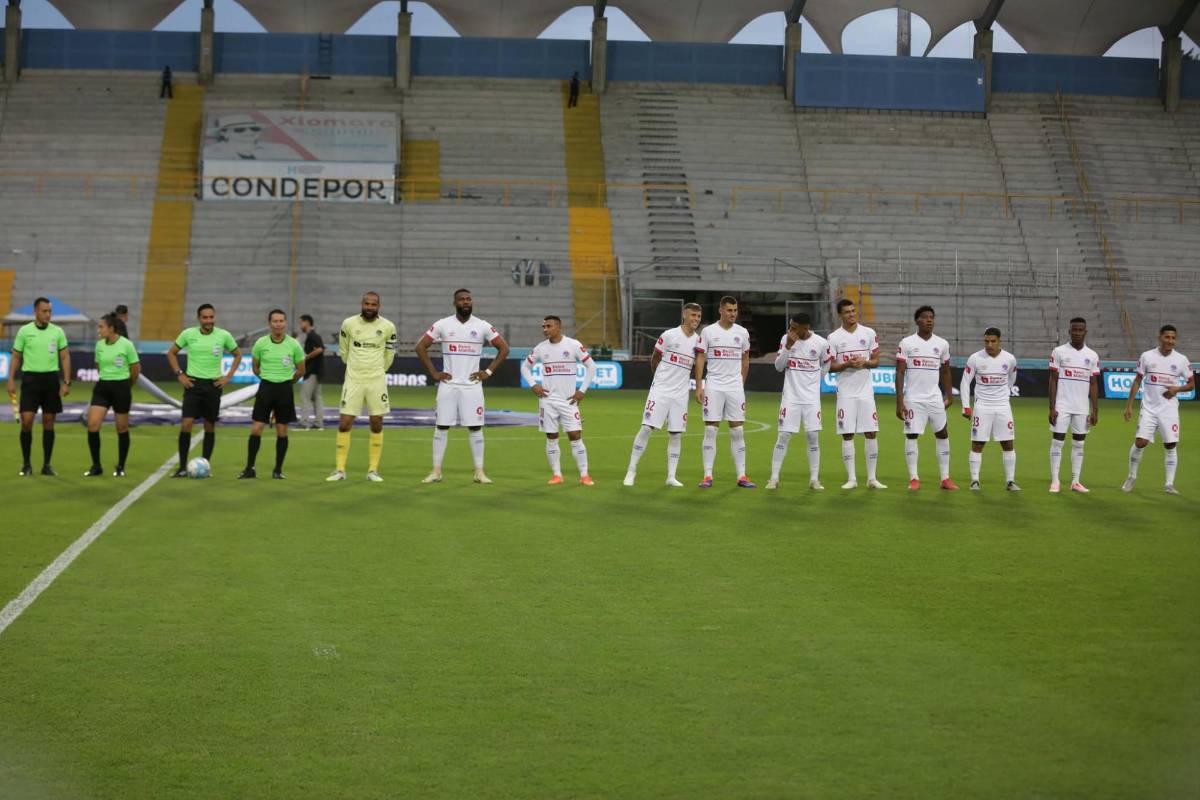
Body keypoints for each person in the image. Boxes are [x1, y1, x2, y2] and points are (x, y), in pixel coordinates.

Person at [415, 288, 510, 484]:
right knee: (441, 426)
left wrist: (488, 371)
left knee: (475, 428)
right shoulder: (443, 324)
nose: (466, 302)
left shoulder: (482, 326)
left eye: (468, 299)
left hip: (472, 386)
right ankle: (436, 471)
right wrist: (434, 372)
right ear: (455, 303)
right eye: (461, 300)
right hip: (448, 385)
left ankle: (479, 472)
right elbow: (420, 346)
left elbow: (504, 348)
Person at [623, 303, 702, 487]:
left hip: (681, 394)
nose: (696, 319)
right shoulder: (669, 335)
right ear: (684, 314)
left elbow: (698, 365)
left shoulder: (698, 341)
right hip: (661, 390)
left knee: (676, 434)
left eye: (699, 316)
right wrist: (659, 379)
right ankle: (631, 470)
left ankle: (671, 476)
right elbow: (655, 358)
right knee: (646, 428)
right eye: (693, 315)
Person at [328, 292, 397, 482]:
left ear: (379, 306)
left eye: (373, 304)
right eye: (367, 303)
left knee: (376, 422)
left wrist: (379, 370)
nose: (369, 307)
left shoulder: (388, 327)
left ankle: (373, 470)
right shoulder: (348, 324)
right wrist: (354, 368)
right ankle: (340, 470)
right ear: (362, 304)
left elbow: (390, 353)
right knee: (345, 423)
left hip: (376, 380)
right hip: (354, 379)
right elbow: (344, 350)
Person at [520, 315, 597, 485]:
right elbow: (525, 366)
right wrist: (534, 385)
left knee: (575, 435)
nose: (545, 329)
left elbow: (591, 366)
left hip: (569, 400)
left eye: (548, 326)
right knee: (551, 436)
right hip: (547, 400)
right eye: (543, 326)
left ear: (558, 327)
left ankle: (584, 475)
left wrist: (582, 390)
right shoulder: (541, 348)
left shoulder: (573, 345)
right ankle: (557, 475)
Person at [166, 304, 240, 478]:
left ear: (214, 317)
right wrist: (180, 374)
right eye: (205, 317)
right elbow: (171, 353)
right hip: (193, 385)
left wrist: (227, 377)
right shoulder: (188, 334)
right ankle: (182, 467)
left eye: (211, 317)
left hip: (213, 386)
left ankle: (205, 466)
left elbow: (237, 354)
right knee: (186, 424)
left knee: (209, 426)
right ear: (199, 319)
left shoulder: (223, 335)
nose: (208, 321)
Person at [1122, 324, 1194, 495]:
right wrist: (1129, 405)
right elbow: (1138, 381)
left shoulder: (1181, 360)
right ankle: (1131, 477)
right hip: (1149, 409)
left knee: (1170, 445)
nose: (1170, 341)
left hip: (1169, 410)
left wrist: (1176, 389)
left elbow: (1191, 384)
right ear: (1159, 337)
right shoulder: (1147, 356)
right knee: (1141, 442)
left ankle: (1169, 484)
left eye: (1173, 338)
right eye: (1167, 337)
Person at [694, 295, 755, 488]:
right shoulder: (709, 331)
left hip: (734, 387)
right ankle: (707, 475)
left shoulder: (742, 332)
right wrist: (699, 385)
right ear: (720, 310)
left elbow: (745, 359)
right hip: (714, 385)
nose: (733, 314)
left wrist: (740, 382)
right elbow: (701, 358)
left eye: (735, 310)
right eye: (729, 310)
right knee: (711, 429)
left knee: (737, 430)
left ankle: (742, 476)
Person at [895, 305, 957, 491]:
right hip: (913, 398)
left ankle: (945, 478)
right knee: (912, 435)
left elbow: (946, 371)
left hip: (935, 398)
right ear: (917, 321)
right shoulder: (906, 343)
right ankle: (914, 478)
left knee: (942, 433)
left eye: (932, 317)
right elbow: (899, 372)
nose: (929, 320)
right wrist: (900, 401)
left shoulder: (942, 344)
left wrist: (949, 395)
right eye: (925, 317)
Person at [767, 313, 831, 491]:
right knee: (784, 436)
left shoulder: (821, 343)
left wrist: (818, 378)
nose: (791, 330)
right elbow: (779, 366)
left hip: (811, 399)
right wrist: (788, 347)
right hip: (791, 398)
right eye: (790, 326)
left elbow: (827, 363)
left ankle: (814, 479)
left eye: (795, 327)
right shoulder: (786, 339)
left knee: (813, 436)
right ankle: (773, 478)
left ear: (806, 327)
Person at [7, 297, 70, 476]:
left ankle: (47, 465)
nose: (48, 314)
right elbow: (17, 357)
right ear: (35, 312)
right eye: (44, 311)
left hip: (51, 380)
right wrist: (11, 379)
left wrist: (66, 382)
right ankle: (26, 464)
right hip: (30, 380)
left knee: (49, 423)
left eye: (50, 311)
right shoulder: (24, 331)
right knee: (26, 422)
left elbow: (65, 357)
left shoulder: (57, 332)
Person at [240, 310, 306, 480]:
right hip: (266, 389)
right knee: (256, 429)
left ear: (285, 323)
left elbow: (301, 369)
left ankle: (277, 470)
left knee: (282, 431)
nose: (278, 324)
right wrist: (266, 378)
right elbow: (255, 366)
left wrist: (287, 382)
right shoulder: (260, 343)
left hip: (284, 390)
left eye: (281, 321)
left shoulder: (293, 345)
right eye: (275, 321)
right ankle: (250, 468)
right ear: (269, 323)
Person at [827, 298, 885, 489]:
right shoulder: (834, 338)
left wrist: (865, 362)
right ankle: (851, 479)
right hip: (845, 393)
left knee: (871, 432)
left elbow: (876, 360)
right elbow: (830, 367)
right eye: (847, 312)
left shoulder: (868, 333)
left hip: (866, 392)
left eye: (853, 311)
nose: (851, 314)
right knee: (847, 434)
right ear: (840, 315)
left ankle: (872, 478)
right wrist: (847, 364)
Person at [960, 327, 1019, 491]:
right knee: (978, 443)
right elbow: (965, 382)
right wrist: (966, 406)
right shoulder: (975, 358)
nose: (989, 344)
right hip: (982, 406)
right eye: (986, 341)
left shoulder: (1009, 359)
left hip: (1003, 406)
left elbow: (1012, 378)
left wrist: (1004, 394)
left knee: (1008, 443)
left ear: (1000, 341)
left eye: (993, 341)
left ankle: (1010, 481)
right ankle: (974, 480)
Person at [1048, 317, 1100, 493]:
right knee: (1058, 442)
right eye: (1074, 330)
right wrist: (1052, 407)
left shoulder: (1092, 355)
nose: (1077, 332)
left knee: (1079, 444)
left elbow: (1093, 384)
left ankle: (1075, 481)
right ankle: (1055, 481)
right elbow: (1053, 380)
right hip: (1062, 405)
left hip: (1081, 407)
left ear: (1085, 332)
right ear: (1069, 331)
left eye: (1080, 330)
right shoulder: (1059, 352)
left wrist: (1095, 410)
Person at [86, 313, 139, 477]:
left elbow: (135, 369)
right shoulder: (99, 345)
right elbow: (98, 365)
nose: (99, 330)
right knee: (92, 426)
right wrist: (106, 377)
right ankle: (96, 466)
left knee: (121, 428)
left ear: (111, 328)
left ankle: (121, 466)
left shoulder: (126, 345)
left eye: (101, 327)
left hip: (121, 388)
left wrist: (126, 385)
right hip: (102, 387)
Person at [298, 314, 325, 430]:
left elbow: (320, 349)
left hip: (312, 371)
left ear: (307, 323)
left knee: (305, 397)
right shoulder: (314, 335)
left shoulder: (312, 336)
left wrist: (306, 357)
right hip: (318, 371)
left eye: (301, 322)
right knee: (316, 398)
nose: (300, 325)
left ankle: (304, 422)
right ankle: (319, 423)